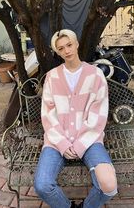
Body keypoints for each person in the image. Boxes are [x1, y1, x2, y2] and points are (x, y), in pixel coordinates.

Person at [34, 29, 117, 208]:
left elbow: (99, 114)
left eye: (69, 45)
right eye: (61, 48)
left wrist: (80, 144)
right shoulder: (52, 77)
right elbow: (48, 115)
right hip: (57, 141)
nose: (67, 51)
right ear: (58, 52)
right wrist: (63, 144)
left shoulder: (95, 75)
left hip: (89, 140)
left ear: (77, 44)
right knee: (42, 185)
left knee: (109, 185)